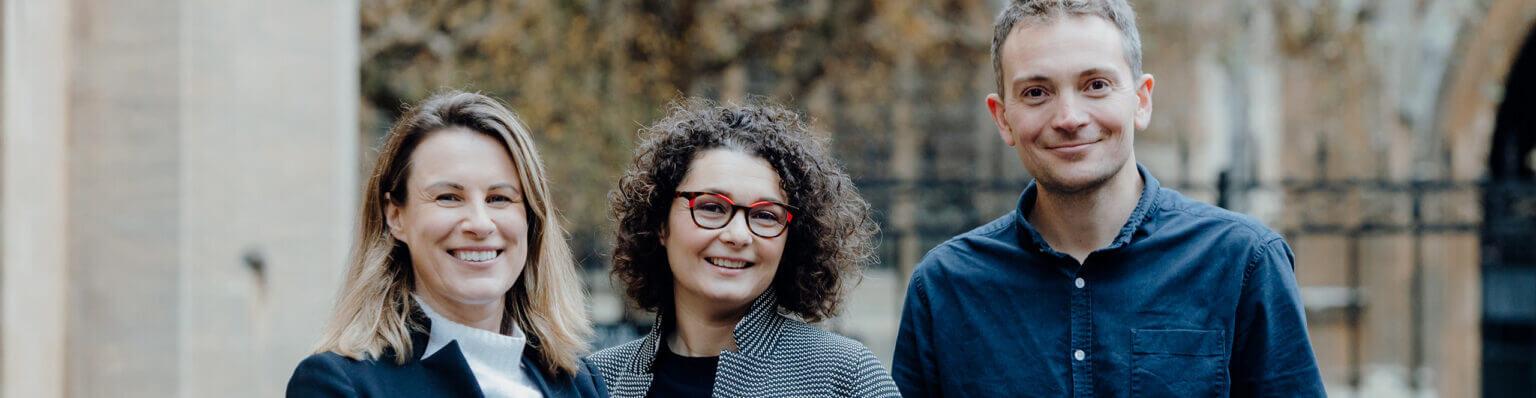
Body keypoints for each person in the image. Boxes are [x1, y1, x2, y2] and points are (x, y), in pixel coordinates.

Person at [892, 1, 1326, 396]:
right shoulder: (944, 288)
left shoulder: (1244, 263)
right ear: (1002, 118)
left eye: (1096, 84)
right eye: (1036, 92)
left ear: (1141, 100)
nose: (1069, 118)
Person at [287, 91, 606, 397]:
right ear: (395, 216)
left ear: (530, 218)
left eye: (499, 198)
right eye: (449, 197)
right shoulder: (340, 384)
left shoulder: (579, 381)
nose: (480, 224)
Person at [586, 98, 900, 397]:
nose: (738, 235)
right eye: (711, 207)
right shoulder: (598, 380)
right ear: (660, 224)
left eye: (765, 215)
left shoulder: (846, 376)